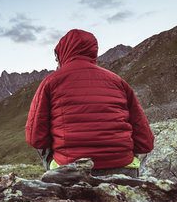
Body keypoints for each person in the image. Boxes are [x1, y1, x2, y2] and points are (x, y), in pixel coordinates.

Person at [26, 29, 154, 177]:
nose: (56, 60)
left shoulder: (51, 82)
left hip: (72, 171)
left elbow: (35, 138)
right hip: (123, 170)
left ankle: (57, 176)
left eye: (57, 54)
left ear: (64, 53)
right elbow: (146, 141)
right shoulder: (118, 82)